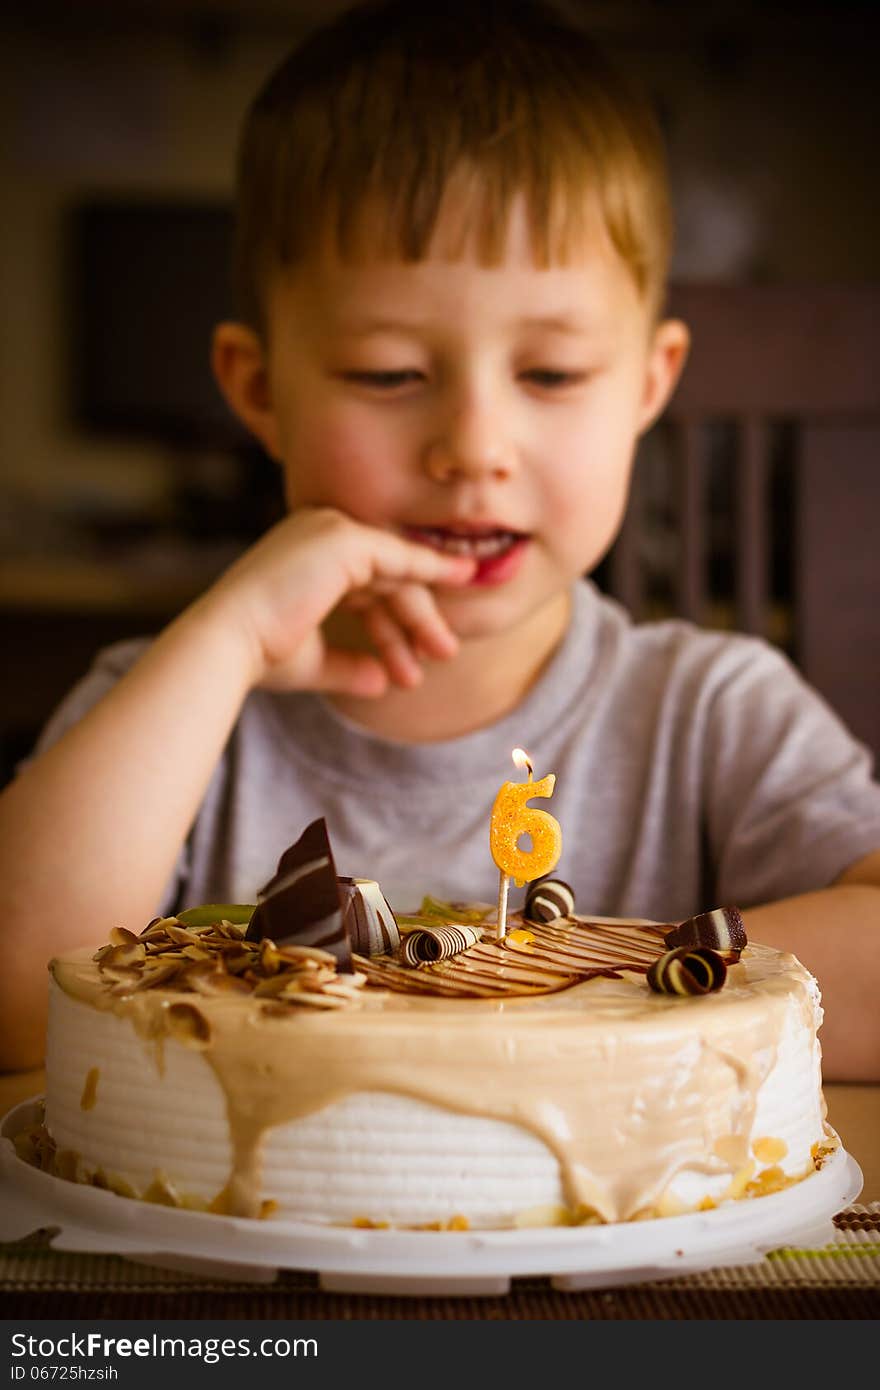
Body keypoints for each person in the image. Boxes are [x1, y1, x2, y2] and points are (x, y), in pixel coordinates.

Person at [2, 0, 879, 1077]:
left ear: (648, 384)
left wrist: (539, 978)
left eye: (550, 374)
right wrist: (223, 640)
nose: (473, 446)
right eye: (389, 373)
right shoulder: (175, 709)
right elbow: (20, 996)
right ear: (259, 388)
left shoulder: (710, 710)